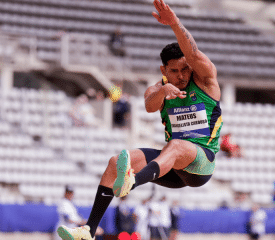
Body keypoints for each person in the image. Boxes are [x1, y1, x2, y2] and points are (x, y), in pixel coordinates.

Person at [57, 1, 222, 239]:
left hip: (201, 164)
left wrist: (174, 23)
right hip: (171, 169)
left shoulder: (205, 81)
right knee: (115, 162)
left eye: (185, 70)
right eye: (174, 71)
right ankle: (88, 230)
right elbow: (148, 105)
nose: (181, 75)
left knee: (174, 146)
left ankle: (131, 183)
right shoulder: (158, 88)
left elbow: (194, 54)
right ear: (164, 70)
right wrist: (164, 92)